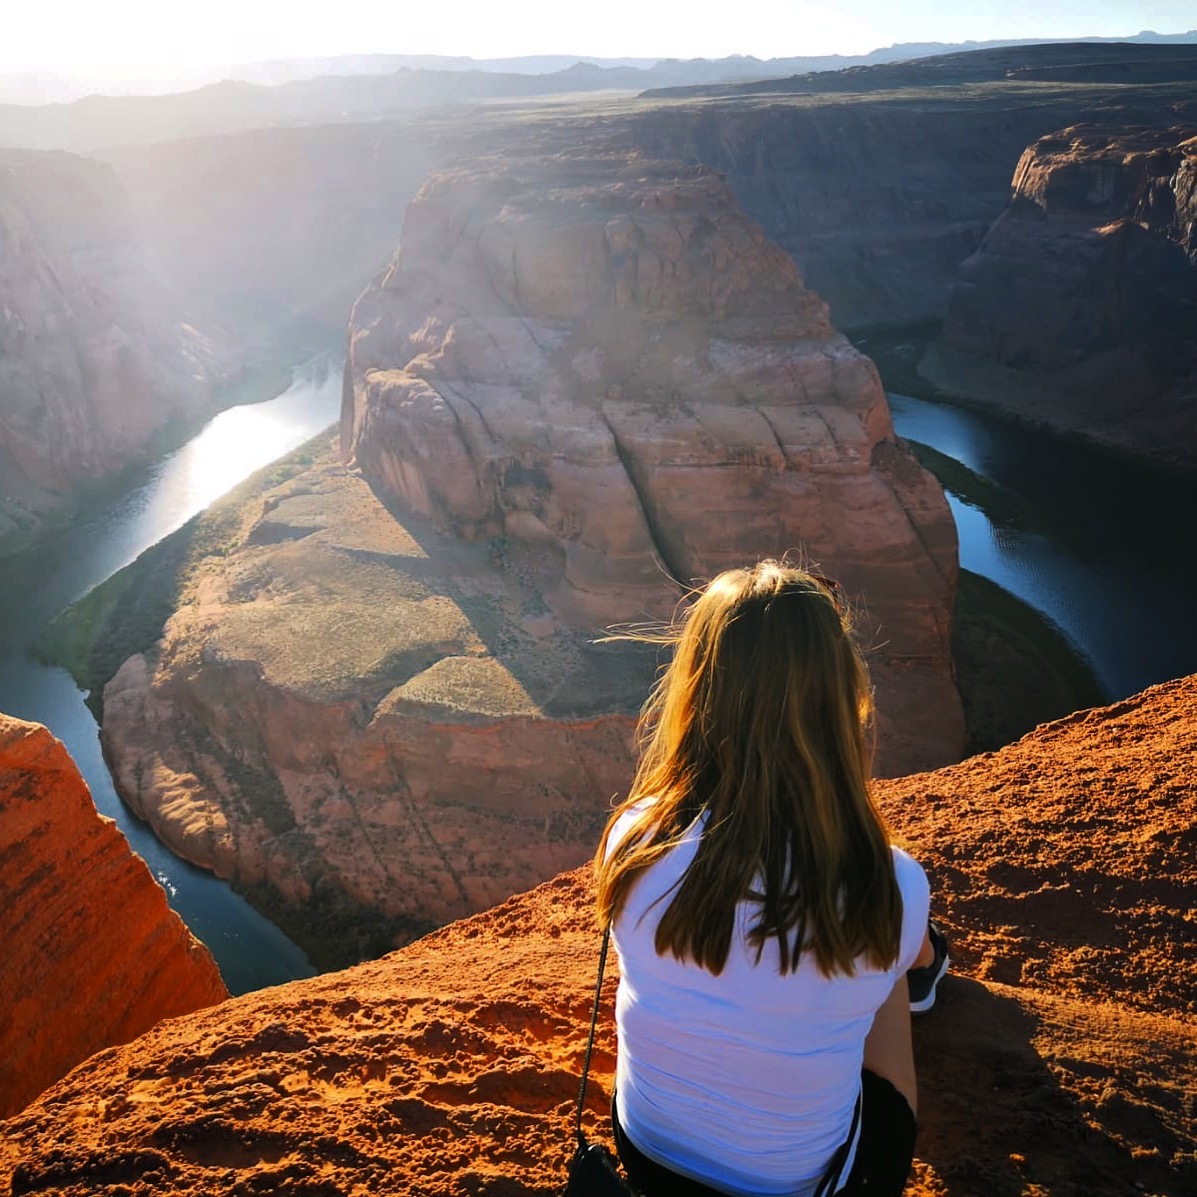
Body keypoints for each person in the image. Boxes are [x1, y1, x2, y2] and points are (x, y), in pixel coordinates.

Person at [594, 561, 949, 1197]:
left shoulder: (636, 836)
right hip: (797, 1184)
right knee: (884, 954)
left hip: (645, 1149)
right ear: (841, 696)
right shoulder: (887, 882)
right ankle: (924, 974)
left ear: (697, 691)